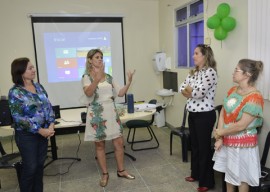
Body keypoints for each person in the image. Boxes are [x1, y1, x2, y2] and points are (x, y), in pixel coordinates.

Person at [82, 49, 136, 187]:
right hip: (97, 113)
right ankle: (105, 174)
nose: (100, 59)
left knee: (118, 142)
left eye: (101, 57)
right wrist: (97, 78)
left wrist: (129, 82)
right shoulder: (86, 76)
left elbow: (120, 93)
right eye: (97, 57)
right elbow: (88, 93)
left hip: (111, 111)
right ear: (90, 60)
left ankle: (121, 170)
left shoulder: (109, 77)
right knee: (100, 145)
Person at [213, 59, 264, 192]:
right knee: (229, 177)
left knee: (242, 178)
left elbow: (241, 125)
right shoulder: (232, 90)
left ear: (247, 74)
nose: (233, 73)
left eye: (237, 70)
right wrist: (220, 138)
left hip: (243, 145)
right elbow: (223, 113)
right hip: (228, 141)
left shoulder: (255, 97)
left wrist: (220, 133)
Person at [8, 57, 55, 192]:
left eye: (33, 67)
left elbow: (48, 107)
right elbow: (18, 117)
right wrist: (39, 130)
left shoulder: (39, 86)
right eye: (30, 68)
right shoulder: (15, 92)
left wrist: (51, 124)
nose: (34, 70)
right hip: (27, 136)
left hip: (44, 133)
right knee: (30, 168)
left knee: (39, 166)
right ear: (20, 71)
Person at [179, 44, 218, 192]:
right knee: (194, 146)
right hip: (193, 114)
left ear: (205, 56)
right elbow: (182, 87)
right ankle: (195, 174)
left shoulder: (210, 72)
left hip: (205, 116)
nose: (193, 56)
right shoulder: (193, 72)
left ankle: (207, 182)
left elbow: (199, 93)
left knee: (203, 149)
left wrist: (190, 92)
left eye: (196, 53)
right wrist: (189, 91)